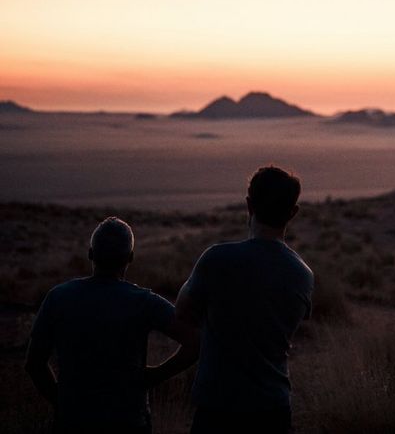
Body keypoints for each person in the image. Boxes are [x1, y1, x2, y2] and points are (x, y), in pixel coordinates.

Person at [25, 217, 198, 434]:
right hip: (128, 420)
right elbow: (195, 340)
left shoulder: (58, 297)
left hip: (73, 421)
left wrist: (61, 402)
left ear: (90, 254)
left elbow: (34, 363)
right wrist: (154, 376)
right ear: (130, 258)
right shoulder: (143, 302)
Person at [177, 166, 314, 434]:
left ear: (248, 206)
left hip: (217, 405)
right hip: (272, 407)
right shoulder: (303, 274)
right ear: (292, 213)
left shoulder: (216, 259)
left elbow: (182, 312)